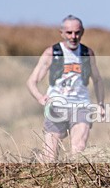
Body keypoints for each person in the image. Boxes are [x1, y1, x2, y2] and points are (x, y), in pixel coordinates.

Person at [26, 15, 105, 162]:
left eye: (77, 33)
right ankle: (37, 161)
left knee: (78, 149)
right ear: (61, 33)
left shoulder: (87, 53)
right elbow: (32, 81)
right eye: (69, 33)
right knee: (50, 157)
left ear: (82, 32)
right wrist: (39, 97)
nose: (73, 37)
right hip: (56, 106)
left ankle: (73, 175)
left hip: (81, 106)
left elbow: (97, 80)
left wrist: (101, 104)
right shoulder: (52, 53)